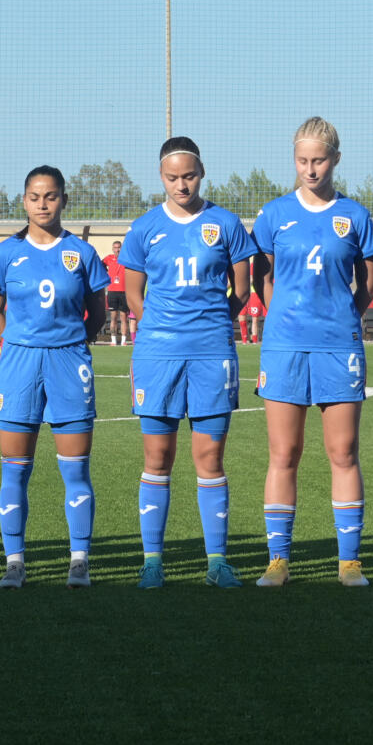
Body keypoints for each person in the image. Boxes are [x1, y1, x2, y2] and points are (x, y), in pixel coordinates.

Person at [118, 136, 254, 589]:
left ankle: (217, 562)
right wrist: (161, 328)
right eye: (173, 177)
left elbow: (241, 289)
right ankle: (152, 562)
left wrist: (211, 324)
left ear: (202, 173)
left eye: (190, 176)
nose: (182, 184)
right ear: (161, 177)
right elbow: (133, 294)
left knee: (209, 457)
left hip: (212, 353)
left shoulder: (226, 223)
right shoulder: (144, 228)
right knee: (157, 456)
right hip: (158, 355)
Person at [251, 118, 373, 588]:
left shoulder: (355, 216)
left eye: (319, 160)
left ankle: (349, 563)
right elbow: (263, 279)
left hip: (338, 346)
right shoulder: (273, 214)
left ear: (336, 160)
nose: (310, 169)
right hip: (284, 347)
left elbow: (367, 283)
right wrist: (285, 317)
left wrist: (342, 317)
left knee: (343, 452)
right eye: (302, 160)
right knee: (284, 453)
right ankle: (278, 561)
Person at [0, 166, 108, 589]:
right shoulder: (5, 253)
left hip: (69, 363)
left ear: (63, 200)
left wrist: (69, 343)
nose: (42, 204)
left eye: (51, 196)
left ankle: (79, 561)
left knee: (76, 470)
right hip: (19, 364)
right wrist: (16, 342)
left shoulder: (82, 253)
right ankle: (14, 563)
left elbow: (98, 314)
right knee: (14, 470)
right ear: (24, 201)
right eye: (34, 197)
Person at [102, 239, 129, 345]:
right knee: (113, 317)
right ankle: (113, 341)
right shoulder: (109, 258)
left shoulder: (126, 258)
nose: (117, 250)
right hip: (112, 291)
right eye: (115, 248)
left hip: (124, 291)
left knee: (123, 317)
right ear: (113, 249)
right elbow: (100, 265)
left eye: (119, 248)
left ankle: (123, 341)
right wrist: (105, 274)